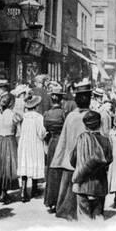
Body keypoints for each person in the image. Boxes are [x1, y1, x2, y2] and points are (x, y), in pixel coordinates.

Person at [50, 79, 93, 221]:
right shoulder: (87, 116)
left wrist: (59, 158)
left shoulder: (74, 116)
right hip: (82, 160)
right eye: (83, 96)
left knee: (71, 186)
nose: (85, 99)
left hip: (75, 160)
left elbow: (63, 139)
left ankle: (69, 211)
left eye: (85, 96)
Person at [70, 111, 113, 221]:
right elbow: (109, 160)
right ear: (100, 124)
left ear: (85, 125)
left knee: (84, 218)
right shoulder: (106, 140)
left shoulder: (81, 139)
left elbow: (73, 159)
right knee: (98, 217)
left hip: (82, 184)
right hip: (99, 184)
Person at [0, 93, 23, 204]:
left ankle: (2, 192)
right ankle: (6, 191)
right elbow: (19, 131)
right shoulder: (15, 115)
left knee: (0, 166)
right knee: (9, 166)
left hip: (0, 141)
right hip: (10, 140)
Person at [17, 94, 48, 201]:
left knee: (25, 164)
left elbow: (19, 130)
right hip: (35, 143)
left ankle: (23, 191)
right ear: (36, 106)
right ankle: (34, 189)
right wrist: (45, 134)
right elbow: (41, 133)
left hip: (24, 142)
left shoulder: (23, 116)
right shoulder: (39, 117)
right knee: (34, 163)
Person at [43, 83, 66, 212]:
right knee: (61, 171)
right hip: (61, 142)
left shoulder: (47, 114)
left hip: (52, 142)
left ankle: (50, 201)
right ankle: (59, 200)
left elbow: (45, 130)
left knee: (51, 171)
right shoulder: (63, 113)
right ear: (60, 99)